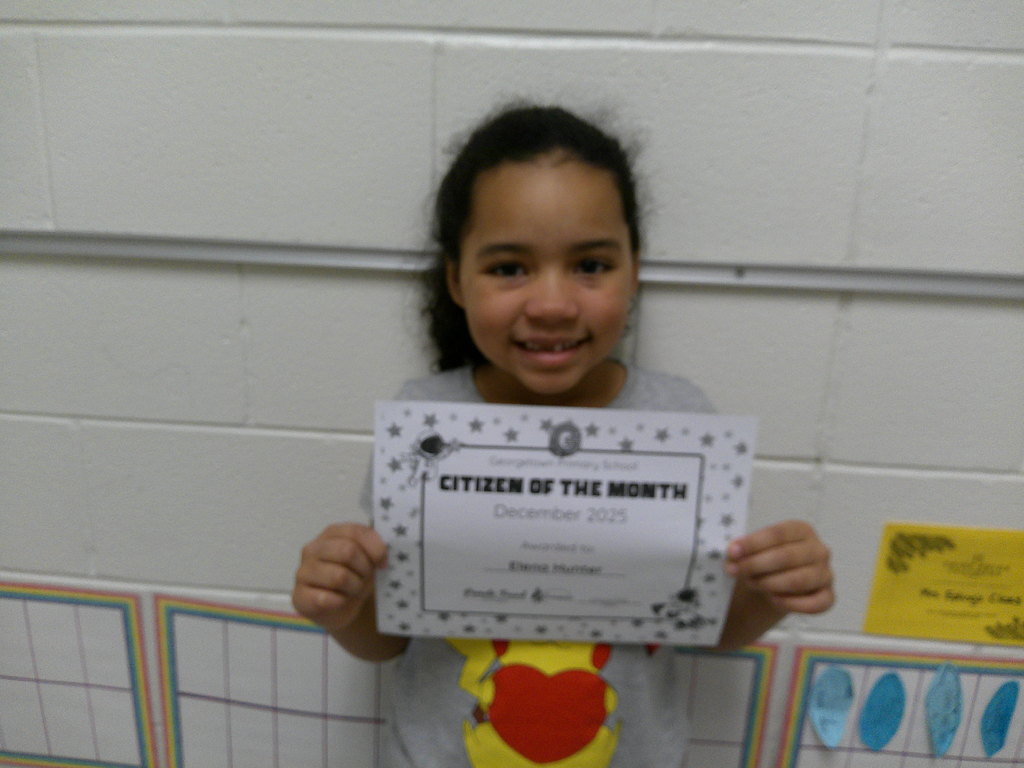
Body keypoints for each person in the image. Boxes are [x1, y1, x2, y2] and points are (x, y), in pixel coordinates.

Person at [293, 104, 834, 767]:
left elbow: (706, 628)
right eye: (509, 268)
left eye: (590, 265)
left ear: (634, 269)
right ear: (456, 279)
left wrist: (770, 592)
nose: (552, 304)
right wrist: (343, 606)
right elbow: (391, 638)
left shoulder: (682, 422)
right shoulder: (427, 425)